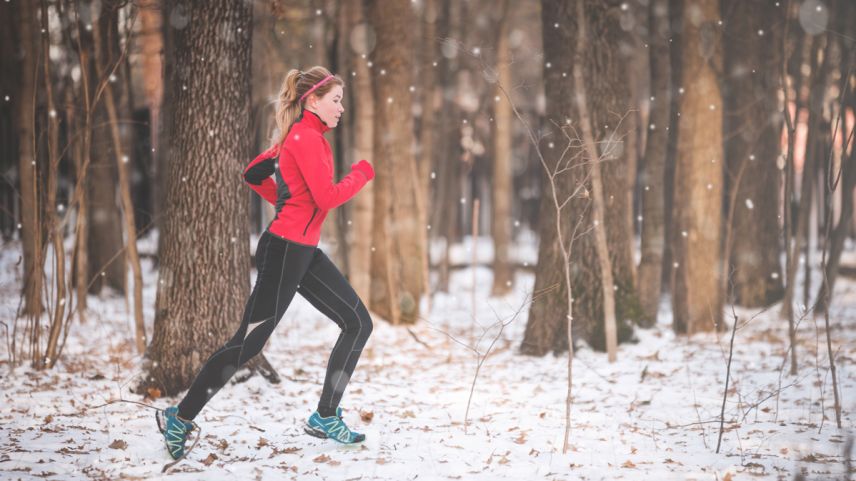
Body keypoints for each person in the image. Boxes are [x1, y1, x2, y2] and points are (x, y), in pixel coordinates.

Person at [157, 66, 376, 460]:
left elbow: (254, 173)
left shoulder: (302, 137)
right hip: (284, 252)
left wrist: (284, 196)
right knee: (247, 342)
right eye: (337, 100)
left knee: (358, 322)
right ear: (313, 100)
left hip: (304, 251)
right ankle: (180, 416)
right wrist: (360, 175)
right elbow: (326, 198)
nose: (342, 108)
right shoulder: (306, 138)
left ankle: (325, 415)